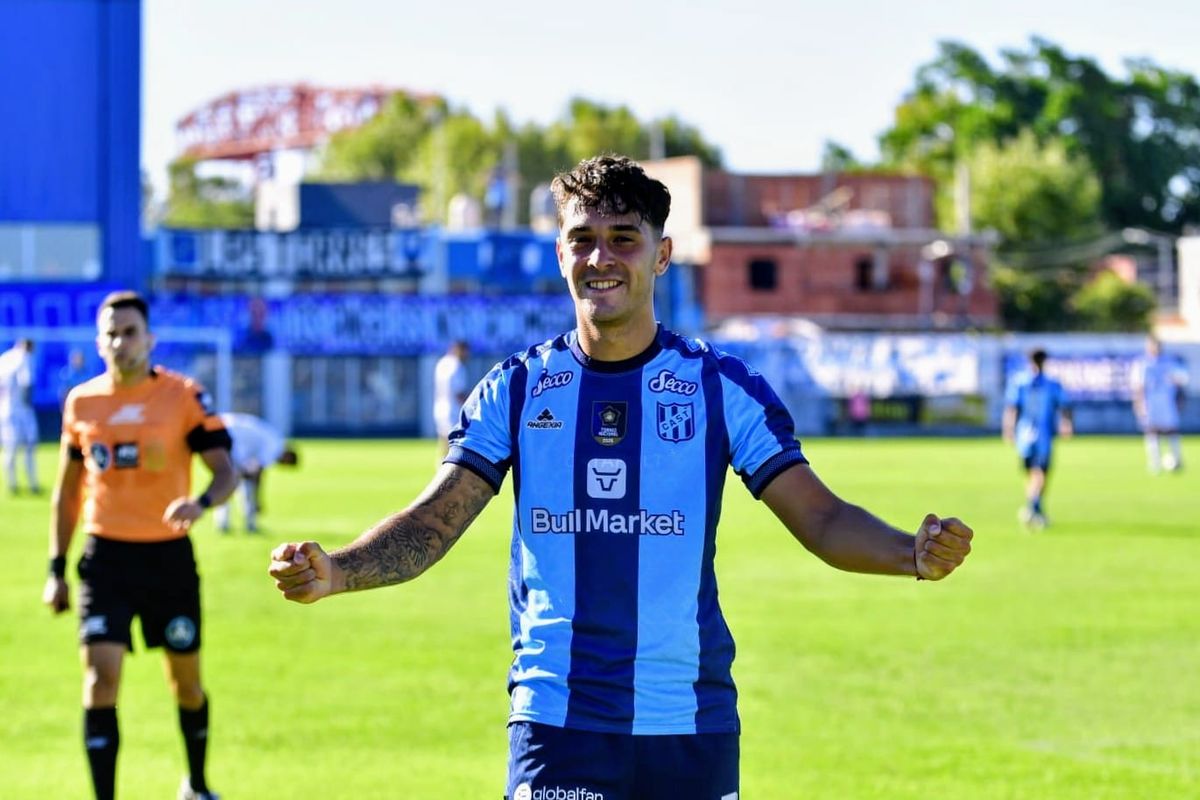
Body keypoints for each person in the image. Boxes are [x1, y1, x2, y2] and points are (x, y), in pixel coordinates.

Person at [269, 155, 973, 800]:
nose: (600, 257)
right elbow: (432, 522)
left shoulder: (721, 388)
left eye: (623, 238)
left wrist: (907, 552)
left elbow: (819, 518)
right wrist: (339, 571)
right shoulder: (516, 390)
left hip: (689, 721)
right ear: (560, 254)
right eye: (582, 239)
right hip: (557, 722)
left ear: (662, 254)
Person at [42, 291, 238, 800]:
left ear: (149, 339)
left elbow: (226, 472)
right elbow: (67, 493)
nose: (119, 342)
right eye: (110, 333)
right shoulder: (82, 402)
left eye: (130, 332)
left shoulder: (183, 396)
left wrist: (201, 502)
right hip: (105, 557)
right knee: (100, 680)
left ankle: (196, 784)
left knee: (186, 683)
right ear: (98, 342)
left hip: (167, 559)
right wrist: (56, 569)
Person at [1002, 348, 1073, 530]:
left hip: (1024, 436)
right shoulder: (1050, 384)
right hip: (1042, 437)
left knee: (1034, 473)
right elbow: (1064, 406)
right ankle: (1033, 507)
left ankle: (1034, 509)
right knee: (1040, 473)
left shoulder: (1020, 381)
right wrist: (1066, 423)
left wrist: (1008, 429)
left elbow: (1012, 408)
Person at [214, 412, 298, 533]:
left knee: (234, 479)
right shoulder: (275, 447)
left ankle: (233, 522)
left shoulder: (275, 438)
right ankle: (236, 522)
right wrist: (258, 500)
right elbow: (257, 471)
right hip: (232, 436)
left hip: (229, 428)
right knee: (230, 481)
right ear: (288, 457)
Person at [1131, 336, 1188, 473]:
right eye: (1151, 345)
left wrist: (1180, 401)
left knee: (1171, 430)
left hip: (1167, 401)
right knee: (1151, 431)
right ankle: (1155, 463)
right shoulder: (1142, 363)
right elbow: (1137, 386)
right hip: (1150, 402)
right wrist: (1138, 404)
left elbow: (1181, 383)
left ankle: (1177, 459)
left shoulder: (1170, 362)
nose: (1154, 348)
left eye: (1157, 345)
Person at [0, 337, 40, 495]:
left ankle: (12, 483)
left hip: (5, 409)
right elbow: (26, 384)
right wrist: (28, 405)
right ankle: (32, 483)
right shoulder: (24, 358)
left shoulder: (4, 358)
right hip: (22, 409)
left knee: (10, 447)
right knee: (30, 445)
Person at [432, 339, 470, 457]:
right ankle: (450, 472)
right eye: (466, 351)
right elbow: (459, 393)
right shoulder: (457, 366)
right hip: (454, 410)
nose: (467, 355)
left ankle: (440, 470)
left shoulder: (442, 363)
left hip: (439, 408)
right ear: (459, 350)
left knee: (443, 445)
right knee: (455, 447)